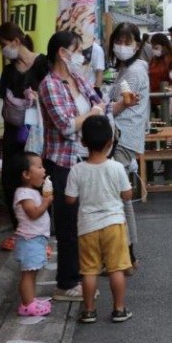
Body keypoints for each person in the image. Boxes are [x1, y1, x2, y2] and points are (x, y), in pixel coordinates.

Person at [38, 30, 107, 302]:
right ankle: (66, 283)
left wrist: (119, 106)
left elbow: (100, 104)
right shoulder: (49, 84)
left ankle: (79, 275)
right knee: (67, 224)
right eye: (76, 50)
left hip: (84, 158)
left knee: (82, 220)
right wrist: (91, 114)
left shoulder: (77, 77)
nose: (81, 56)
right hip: (62, 162)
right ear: (62, 53)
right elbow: (66, 126)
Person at [66, 115, 133, 324]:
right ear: (110, 143)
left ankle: (88, 311)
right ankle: (119, 309)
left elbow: (70, 199)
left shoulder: (77, 170)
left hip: (87, 226)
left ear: (83, 142)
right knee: (116, 268)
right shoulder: (116, 168)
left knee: (88, 270)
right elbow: (127, 195)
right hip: (114, 224)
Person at [0, 22, 50, 252]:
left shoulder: (43, 63)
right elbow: (3, 105)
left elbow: (54, 94)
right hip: (14, 133)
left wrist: (37, 98)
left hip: (38, 134)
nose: (2, 50)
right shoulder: (8, 71)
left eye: (3, 45)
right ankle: (19, 230)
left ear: (16, 41)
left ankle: (43, 234)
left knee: (39, 177)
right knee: (10, 178)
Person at [107, 22, 149, 273]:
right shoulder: (127, 68)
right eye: (119, 42)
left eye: (127, 42)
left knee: (121, 199)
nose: (122, 47)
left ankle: (129, 256)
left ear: (137, 45)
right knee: (121, 197)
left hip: (122, 139)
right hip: (124, 138)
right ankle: (127, 256)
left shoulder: (134, 72)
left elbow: (119, 105)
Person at [12, 153, 53, 317]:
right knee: (28, 274)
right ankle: (27, 304)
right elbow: (33, 214)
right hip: (30, 240)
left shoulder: (32, 192)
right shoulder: (24, 194)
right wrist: (46, 202)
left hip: (36, 239)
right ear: (26, 174)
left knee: (33, 272)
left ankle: (31, 300)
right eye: (39, 167)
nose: (44, 170)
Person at [147, 33, 172, 119]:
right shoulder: (154, 60)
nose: (154, 50)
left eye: (156, 47)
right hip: (152, 98)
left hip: (166, 99)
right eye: (152, 47)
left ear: (164, 46)